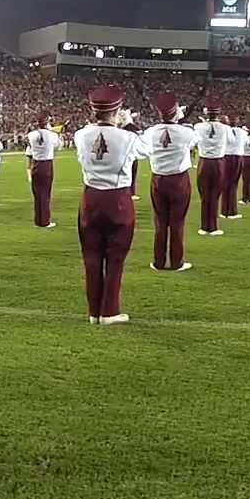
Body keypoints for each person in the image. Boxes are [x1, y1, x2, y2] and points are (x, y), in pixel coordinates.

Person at [73, 85, 152, 324]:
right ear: (117, 110)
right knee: (116, 256)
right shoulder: (128, 137)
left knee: (91, 255)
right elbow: (146, 150)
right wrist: (129, 125)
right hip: (118, 198)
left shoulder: (80, 134)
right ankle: (110, 310)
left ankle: (94, 311)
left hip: (90, 198)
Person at [144, 92, 196, 272]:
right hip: (178, 179)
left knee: (160, 221)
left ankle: (158, 261)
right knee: (177, 221)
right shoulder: (186, 132)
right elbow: (193, 142)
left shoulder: (150, 132)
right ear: (176, 113)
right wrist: (180, 121)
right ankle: (176, 262)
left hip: (157, 178)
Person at [193, 99, 228, 235]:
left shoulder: (198, 126)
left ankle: (204, 226)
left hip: (204, 162)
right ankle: (212, 226)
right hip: (218, 162)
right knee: (215, 195)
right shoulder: (225, 128)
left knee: (204, 195)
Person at [26, 114, 60, 228]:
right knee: (45, 194)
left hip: (36, 164)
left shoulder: (31, 134)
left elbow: (30, 147)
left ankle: (38, 220)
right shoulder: (52, 135)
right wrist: (53, 131)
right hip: (46, 164)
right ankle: (45, 221)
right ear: (47, 123)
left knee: (37, 194)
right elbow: (58, 145)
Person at [220, 115, 244, 220]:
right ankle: (232, 211)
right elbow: (247, 143)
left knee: (225, 184)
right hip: (237, 157)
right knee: (233, 184)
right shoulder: (243, 132)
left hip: (225, 157)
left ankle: (224, 211)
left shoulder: (225, 130)